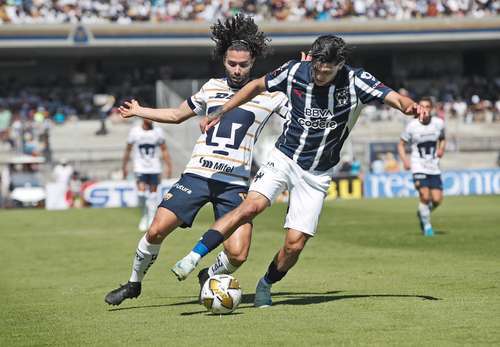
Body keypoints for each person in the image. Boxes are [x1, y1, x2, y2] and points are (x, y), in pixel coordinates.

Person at [171, 34, 430, 308]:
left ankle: (266, 283)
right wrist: (221, 110)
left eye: (326, 70)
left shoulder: (357, 81)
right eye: (316, 67)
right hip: (284, 157)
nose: (319, 74)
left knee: (294, 245)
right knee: (250, 207)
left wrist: (413, 108)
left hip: (317, 173)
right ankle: (193, 256)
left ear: (340, 64)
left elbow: (396, 99)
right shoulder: (295, 70)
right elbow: (257, 85)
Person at [104, 14, 289, 306]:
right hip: (197, 176)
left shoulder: (270, 95)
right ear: (223, 61)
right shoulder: (211, 88)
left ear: (252, 63)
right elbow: (177, 115)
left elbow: (302, 111)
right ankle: (133, 284)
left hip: (234, 184)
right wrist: (140, 111)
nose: (237, 69)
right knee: (155, 230)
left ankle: (209, 275)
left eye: (243, 65)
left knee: (239, 253)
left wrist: (306, 73)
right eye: (232, 63)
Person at [398, 97, 446, 236]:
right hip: (418, 165)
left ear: (431, 109)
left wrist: (441, 148)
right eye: (422, 106)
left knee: (437, 200)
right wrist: (405, 161)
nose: (425, 108)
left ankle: (423, 213)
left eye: (427, 106)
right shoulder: (412, 126)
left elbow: (442, 138)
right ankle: (427, 227)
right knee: (425, 196)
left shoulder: (438, 123)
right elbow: (401, 144)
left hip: (434, 166)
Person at [122, 118, 173, 232]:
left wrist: (168, 166)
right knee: (141, 193)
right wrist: (124, 166)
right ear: (143, 118)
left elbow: (164, 150)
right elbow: (128, 149)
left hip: (154, 167)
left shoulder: (158, 131)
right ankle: (144, 215)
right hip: (139, 166)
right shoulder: (135, 131)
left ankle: (151, 218)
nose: (151, 119)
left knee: (153, 194)